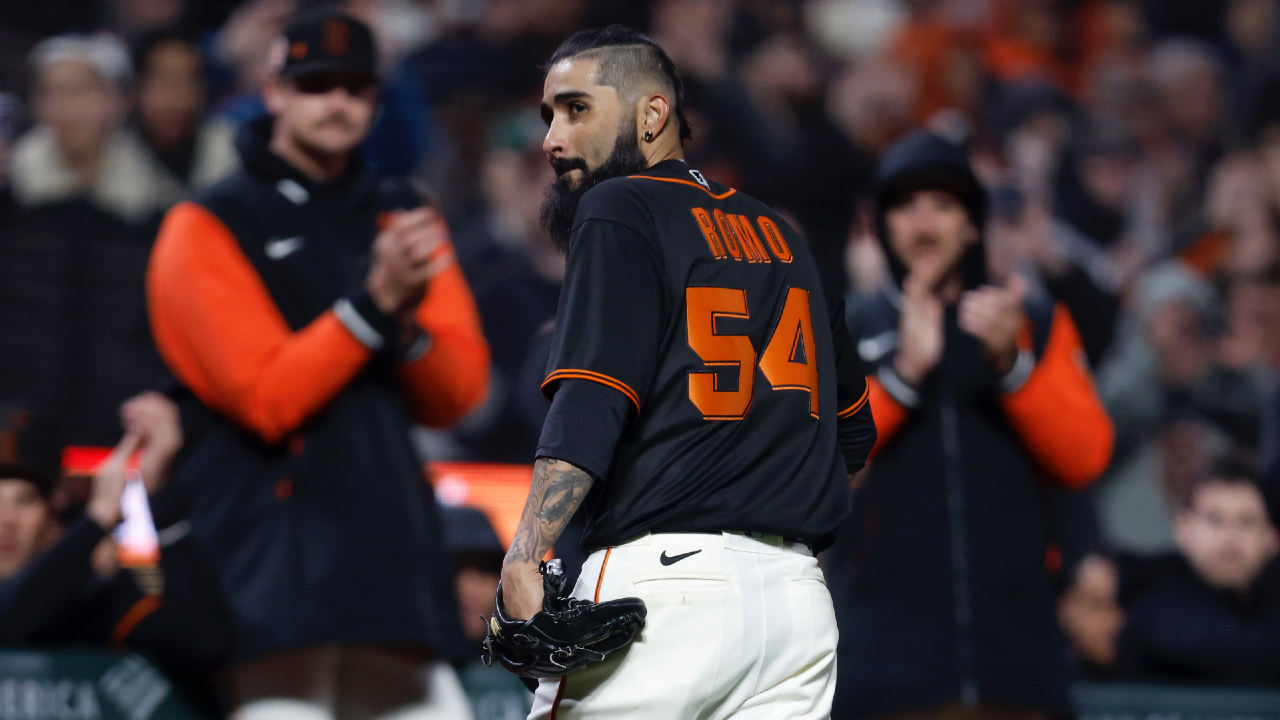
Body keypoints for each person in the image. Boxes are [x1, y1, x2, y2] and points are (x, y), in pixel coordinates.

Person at [495, 25, 877, 720]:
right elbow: (852, 436)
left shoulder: (621, 205)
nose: (552, 138)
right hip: (796, 609)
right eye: (550, 113)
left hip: (663, 592)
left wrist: (526, 554)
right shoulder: (784, 237)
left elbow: (591, 398)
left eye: (576, 109)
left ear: (652, 115)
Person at [146, 9, 490, 720]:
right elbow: (265, 396)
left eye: (355, 88)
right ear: (273, 92)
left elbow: (457, 393)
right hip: (269, 563)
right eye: (314, 85)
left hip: (387, 548)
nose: (336, 103)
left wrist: (400, 329)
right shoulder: (208, 223)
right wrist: (373, 306)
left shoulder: (401, 212)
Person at [829, 130, 1114, 719]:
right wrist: (905, 375)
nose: (925, 223)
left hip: (1017, 654)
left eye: (943, 204)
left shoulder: (1030, 319)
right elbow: (819, 466)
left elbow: (1084, 456)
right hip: (884, 658)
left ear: (973, 223)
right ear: (883, 223)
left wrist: (1014, 367)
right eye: (906, 206)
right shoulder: (847, 327)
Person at [0, 394, 233, 717]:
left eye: (25, 501)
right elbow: (9, 625)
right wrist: (96, 519)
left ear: (55, 506)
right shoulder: (75, 557)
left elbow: (204, 644)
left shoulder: (88, 599)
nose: (6, 520)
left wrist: (161, 501)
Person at [1116, 455, 1280, 685]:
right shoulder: (1155, 607)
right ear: (1184, 527)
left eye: (1247, 522)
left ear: (1272, 538)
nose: (1230, 538)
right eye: (1215, 520)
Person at [441, 505, 531, 720]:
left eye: (483, 571)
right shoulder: (399, 671)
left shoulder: (536, 671)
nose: (469, 589)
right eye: (455, 571)